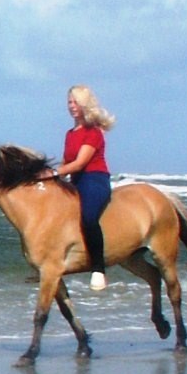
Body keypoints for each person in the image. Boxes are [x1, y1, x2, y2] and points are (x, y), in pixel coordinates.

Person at [44, 84, 115, 291]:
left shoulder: (93, 132)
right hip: (76, 180)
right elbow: (66, 162)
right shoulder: (70, 134)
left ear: (85, 105)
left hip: (94, 179)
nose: (72, 106)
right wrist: (49, 177)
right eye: (69, 102)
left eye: (76, 102)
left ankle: (99, 269)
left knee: (88, 217)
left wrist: (56, 173)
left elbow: (80, 163)